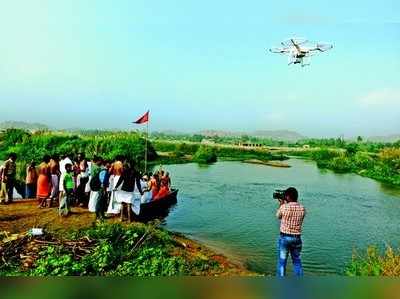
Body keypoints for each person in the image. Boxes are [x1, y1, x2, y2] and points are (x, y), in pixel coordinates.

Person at [276, 187, 306, 277]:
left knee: (282, 261)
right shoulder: (302, 208)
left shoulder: (284, 207)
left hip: (284, 237)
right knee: (297, 261)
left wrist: (281, 204)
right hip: (297, 238)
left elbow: (278, 216)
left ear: (288, 197)